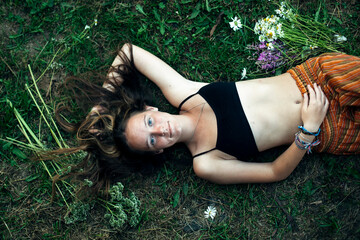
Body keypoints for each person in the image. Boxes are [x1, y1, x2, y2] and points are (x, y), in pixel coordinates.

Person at [54, 43, 360, 191]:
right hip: (330, 128)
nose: (160, 131)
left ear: (151, 110)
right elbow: (274, 172)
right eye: (151, 140)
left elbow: (129, 51)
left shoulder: (185, 93)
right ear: (157, 150)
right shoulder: (206, 161)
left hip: (319, 78)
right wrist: (308, 130)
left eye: (150, 123)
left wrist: (102, 101)